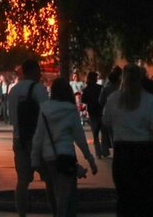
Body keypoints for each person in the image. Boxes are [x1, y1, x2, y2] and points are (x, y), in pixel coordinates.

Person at [104, 63, 153, 216]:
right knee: (148, 192)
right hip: (144, 150)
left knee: (125, 194)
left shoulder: (113, 99)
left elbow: (106, 121)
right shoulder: (149, 99)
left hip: (122, 150)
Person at [32, 77, 98, 217]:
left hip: (49, 157)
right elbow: (80, 138)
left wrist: (35, 159)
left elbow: (38, 136)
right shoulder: (71, 110)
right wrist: (90, 159)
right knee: (68, 195)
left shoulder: (44, 109)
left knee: (54, 191)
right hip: (66, 156)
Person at [7, 59, 52, 217]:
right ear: (33, 71)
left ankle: (21, 213)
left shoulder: (13, 91)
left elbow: (12, 118)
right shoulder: (38, 89)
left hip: (19, 139)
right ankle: (55, 211)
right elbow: (47, 114)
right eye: (39, 70)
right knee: (49, 178)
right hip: (38, 141)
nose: (40, 73)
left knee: (22, 181)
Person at [81, 71, 107, 159]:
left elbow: (83, 100)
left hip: (92, 112)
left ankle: (98, 152)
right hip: (101, 111)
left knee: (95, 133)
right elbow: (104, 99)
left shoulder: (86, 89)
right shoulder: (100, 88)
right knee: (103, 132)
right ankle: (104, 150)